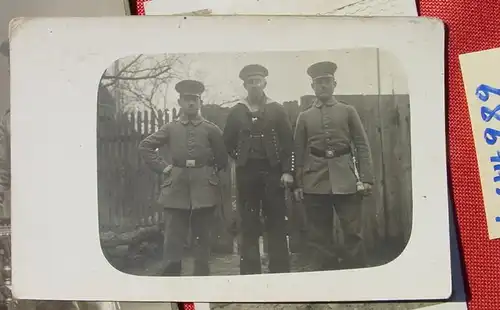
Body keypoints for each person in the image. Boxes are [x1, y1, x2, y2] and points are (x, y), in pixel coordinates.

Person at [138, 79, 228, 276]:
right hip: (176, 186)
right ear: (179, 102)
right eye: (187, 99)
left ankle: (201, 277)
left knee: (202, 237)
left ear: (200, 102)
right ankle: (172, 276)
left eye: (194, 99)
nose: (191, 104)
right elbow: (145, 146)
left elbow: (223, 157)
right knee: (173, 236)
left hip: (203, 188)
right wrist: (163, 168)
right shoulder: (170, 128)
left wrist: (209, 172)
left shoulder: (211, 129)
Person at [293, 61, 375, 271]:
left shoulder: (348, 111)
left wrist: (365, 178)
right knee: (319, 234)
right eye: (318, 83)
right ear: (312, 87)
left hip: (346, 179)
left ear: (334, 84)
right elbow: (298, 152)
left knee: (352, 231)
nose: (323, 86)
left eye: (327, 81)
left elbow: (362, 145)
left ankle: (356, 271)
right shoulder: (304, 117)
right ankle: (325, 274)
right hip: (314, 180)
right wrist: (299, 184)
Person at [223, 64, 294, 275]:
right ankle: (250, 272)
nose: (254, 85)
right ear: (244, 85)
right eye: (250, 82)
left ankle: (280, 271)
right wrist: (241, 157)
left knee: (276, 221)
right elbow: (227, 141)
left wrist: (287, 171)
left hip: (273, 173)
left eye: (258, 81)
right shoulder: (237, 111)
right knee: (249, 224)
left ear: (265, 83)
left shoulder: (277, 109)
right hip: (247, 174)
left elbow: (288, 143)